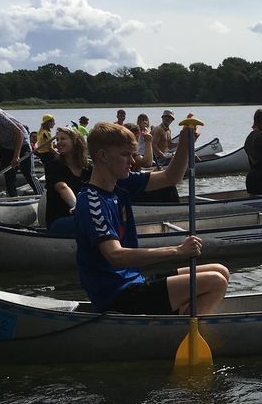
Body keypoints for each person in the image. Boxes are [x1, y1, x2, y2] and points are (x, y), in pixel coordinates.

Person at [75, 121, 229, 314]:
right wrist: (177, 251)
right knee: (215, 281)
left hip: (134, 280)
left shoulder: (122, 183)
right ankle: (183, 328)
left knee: (221, 270)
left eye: (132, 154)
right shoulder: (92, 202)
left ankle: (181, 318)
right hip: (115, 295)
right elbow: (116, 256)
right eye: (125, 155)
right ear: (103, 156)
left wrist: (185, 143)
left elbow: (170, 177)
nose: (132, 161)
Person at [43, 125, 90, 235]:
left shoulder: (88, 169)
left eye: (63, 139)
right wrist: (77, 207)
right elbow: (62, 188)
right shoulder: (52, 166)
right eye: (57, 139)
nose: (58, 142)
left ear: (75, 141)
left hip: (86, 216)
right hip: (59, 220)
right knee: (91, 222)